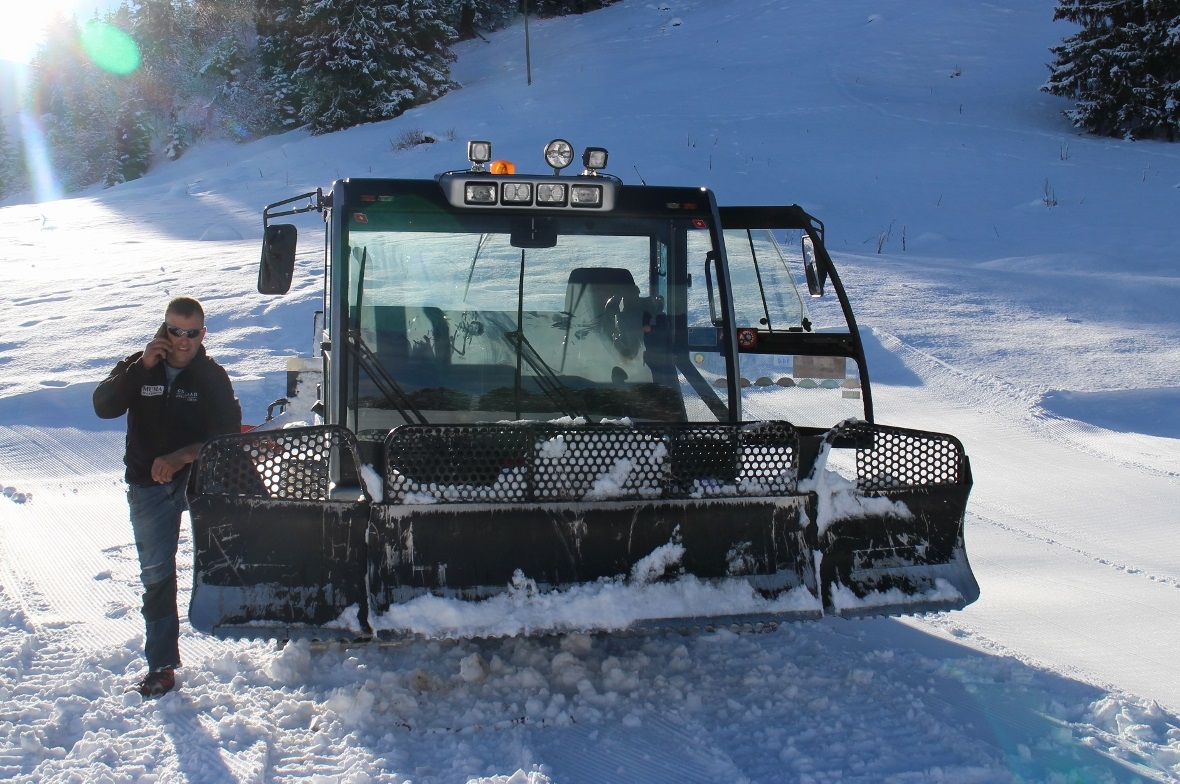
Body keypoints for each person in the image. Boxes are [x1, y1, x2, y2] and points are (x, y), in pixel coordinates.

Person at [93, 296, 241, 698]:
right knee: (156, 575)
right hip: (149, 484)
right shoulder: (139, 367)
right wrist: (140, 368)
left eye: (192, 333)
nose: (183, 341)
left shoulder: (211, 376)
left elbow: (228, 434)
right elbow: (103, 406)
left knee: (239, 552)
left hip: (200, 479)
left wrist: (183, 456)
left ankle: (267, 622)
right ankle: (161, 666)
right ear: (164, 329)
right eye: (176, 331)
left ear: (203, 334)